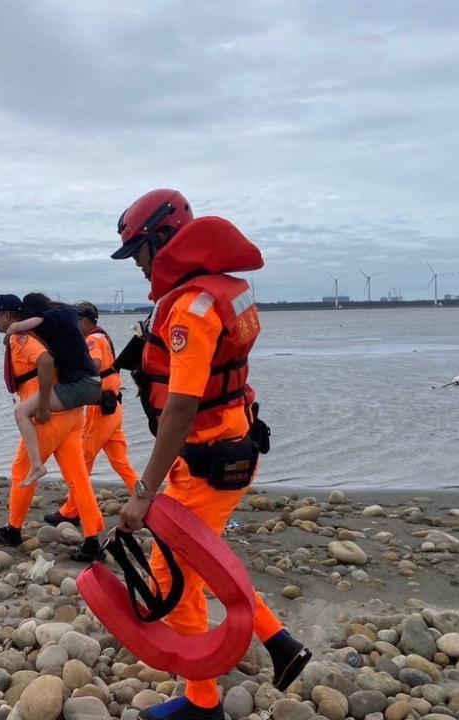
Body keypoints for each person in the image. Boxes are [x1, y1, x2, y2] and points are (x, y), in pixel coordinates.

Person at [111, 190, 311, 720]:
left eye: (138, 252)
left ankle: (204, 705)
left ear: (161, 239)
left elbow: (178, 409)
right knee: (204, 561)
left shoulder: (192, 309)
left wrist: (142, 491)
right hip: (228, 443)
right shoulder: (218, 292)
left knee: (172, 575)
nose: (137, 265)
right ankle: (281, 644)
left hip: (209, 460)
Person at [0, 294, 107, 562]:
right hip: (72, 413)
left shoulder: (21, 338)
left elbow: (45, 361)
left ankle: (12, 530)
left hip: (48, 416)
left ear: (7, 315)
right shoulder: (38, 330)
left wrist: (42, 409)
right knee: (78, 477)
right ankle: (93, 538)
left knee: (22, 469)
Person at [44, 301, 139, 526]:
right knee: (120, 462)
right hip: (113, 407)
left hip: (100, 409)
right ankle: (146, 497)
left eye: (76, 319)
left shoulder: (93, 339)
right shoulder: (102, 337)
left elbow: (93, 364)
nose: (73, 324)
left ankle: (71, 511)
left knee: (82, 460)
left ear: (85, 320)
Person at [4, 293, 102, 488]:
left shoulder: (47, 317)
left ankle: (36, 466)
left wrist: (8, 336)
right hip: (92, 382)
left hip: (81, 385)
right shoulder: (68, 313)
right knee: (76, 469)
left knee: (21, 411)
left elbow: (16, 327)